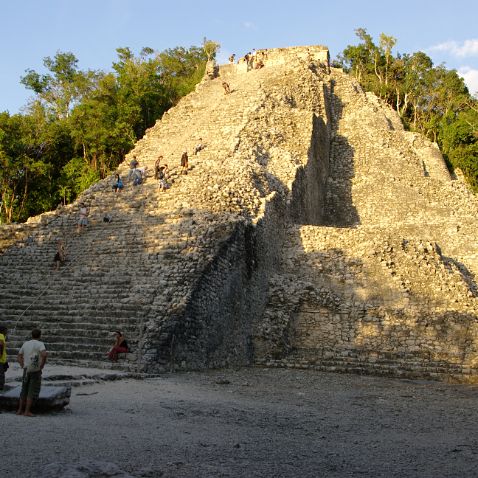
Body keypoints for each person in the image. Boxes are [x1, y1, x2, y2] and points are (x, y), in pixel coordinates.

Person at [17, 329, 47, 417]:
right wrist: (42, 365)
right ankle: (27, 411)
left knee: (24, 390)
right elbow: (44, 354)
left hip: (26, 369)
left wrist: (22, 364)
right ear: (40, 336)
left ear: (32, 335)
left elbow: (19, 356)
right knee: (31, 391)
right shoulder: (40, 344)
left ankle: (19, 410)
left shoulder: (26, 343)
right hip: (35, 369)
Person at [0, 325, 8, 391]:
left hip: (2, 360)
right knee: (1, 374)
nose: (7, 332)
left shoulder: (3, 336)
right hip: (0, 359)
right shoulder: (1, 335)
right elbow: (1, 344)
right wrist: (1, 354)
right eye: (5, 330)